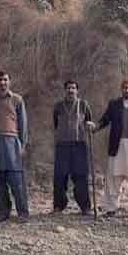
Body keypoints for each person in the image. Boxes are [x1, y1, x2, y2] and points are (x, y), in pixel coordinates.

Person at [86, 76, 128, 221]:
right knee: (112, 178)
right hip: (117, 145)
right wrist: (95, 127)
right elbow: (105, 120)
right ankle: (111, 208)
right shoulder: (114, 104)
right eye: (125, 87)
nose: (127, 90)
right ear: (121, 89)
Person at [0, 71, 29, 223]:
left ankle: (22, 212)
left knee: (16, 180)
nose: (2, 83)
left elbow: (23, 125)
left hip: (12, 142)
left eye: (5, 80)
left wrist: (23, 144)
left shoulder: (17, 100)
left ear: (9, 81)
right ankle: (3, 211)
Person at [52, 80, 93, 216]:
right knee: (60, 176)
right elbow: (55, 123)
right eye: (68, 88)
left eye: (73, 88)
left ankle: (85, 207)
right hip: (62, 145)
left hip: (79, 144)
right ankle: (59, 206)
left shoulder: (83, 105)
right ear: (65, 90)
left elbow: (88, 121)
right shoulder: (58, 106)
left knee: (81, 176)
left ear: (77, 90)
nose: (71, 91)